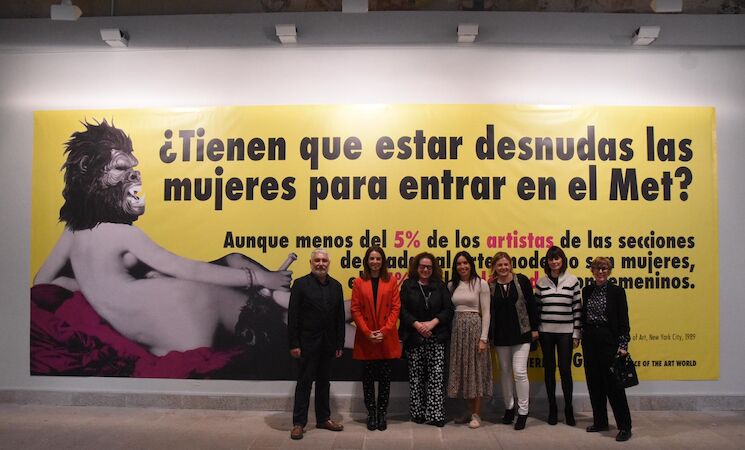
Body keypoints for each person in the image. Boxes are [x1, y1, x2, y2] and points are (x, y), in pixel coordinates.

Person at [33, 120, 292, 357]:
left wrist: (94, 287)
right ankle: (278, 298)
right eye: (121, 167)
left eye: (133, 168)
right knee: (277, 322)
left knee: (234, 260)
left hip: (159, 331)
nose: (134, 175)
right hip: (188, 305)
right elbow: (186, 269)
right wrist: (259, 278)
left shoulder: (72, 231)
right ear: (88, 170)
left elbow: (43, 282)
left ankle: (276, 297)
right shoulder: (124, 234)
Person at [288, 249, 346, 440]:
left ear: (329, 263)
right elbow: (293, 316)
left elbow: (340, 318)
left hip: (328, 345)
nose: (321, 264)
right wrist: (294, 343)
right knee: (304, 383)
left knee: (324, 383)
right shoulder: (300, 285)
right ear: (311, 263)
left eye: (324, 260)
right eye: (317, 260)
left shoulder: (336, 286)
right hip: (306, 344)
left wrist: (339, 344)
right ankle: (298, 423)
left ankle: (323, 419)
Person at [399, 252, 454, 427]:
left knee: (436, 377)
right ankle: (418, 413)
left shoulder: (440, 286)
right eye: (422, 266)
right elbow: (402, 310)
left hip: (436, 337)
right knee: (416, 377)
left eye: (429, 267)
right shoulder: (408, 285)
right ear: (416, 267)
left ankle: (436, 414)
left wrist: (432, 324)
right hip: (414, 337)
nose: (425, 270)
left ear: (433, 268)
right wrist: (418, 325)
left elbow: (448, 310)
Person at [581, 257, 633, 442]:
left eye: (604, 268)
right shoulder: (586, 290)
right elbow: (583, 316)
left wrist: (623, 345)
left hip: (608, 340)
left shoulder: (617, 291)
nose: (600, 272)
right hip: (590, 340)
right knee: (594, 383)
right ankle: (600, 421)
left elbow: (623, 320)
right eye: (597, 268)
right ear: (592, 271)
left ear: (609, 271)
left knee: (614, 385)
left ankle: (625, 427)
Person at [350, 246, 402, 431]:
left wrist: (384, 331)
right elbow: (355, 308)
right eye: (371, 258)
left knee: (385, 379)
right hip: (367, 338)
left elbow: (396, 307)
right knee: (368, 378)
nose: (375, 262)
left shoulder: (391, 280)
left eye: (378, 258)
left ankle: (382, 413)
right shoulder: (358, 282)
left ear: (383, 261)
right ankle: (371, 413)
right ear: (367, 261)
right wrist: (367, 332)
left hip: (385, 338)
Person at [488, 251, 539, 430]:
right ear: (494, 267)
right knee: (505, 372)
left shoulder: (522, 280)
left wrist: (535, 328)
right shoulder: (491, 286)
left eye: (506, 264)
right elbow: (489, 312)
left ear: (510, 264)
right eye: (499, 265)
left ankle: (523, 412)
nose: (503, 267)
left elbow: (532, 304)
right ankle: (509, 408)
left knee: (520, 372)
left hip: (522, 334)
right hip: (501, 336)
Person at [534, 246, 581, 426]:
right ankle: (552, 408)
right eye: (551, 259)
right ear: (547, 262)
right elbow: (537, 309)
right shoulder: (541, 282)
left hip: (565, 333)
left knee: (565, 370)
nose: (554, 262)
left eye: (557, 258)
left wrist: (576, 333)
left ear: (562, 260)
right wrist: (536, 330)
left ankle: (568, 409)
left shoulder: (573, 280)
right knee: (549, 370)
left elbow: (577, 308)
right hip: (546, 332)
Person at [447, 251, 492, 429]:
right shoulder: (451, 285)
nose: (462, 266)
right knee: (463, 372)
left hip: (475, 330)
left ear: (471, 264)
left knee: (476, 372)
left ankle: (477, 414)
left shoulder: (481, 284)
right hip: (458, 332)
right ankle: (467, 411)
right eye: (459, 263)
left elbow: (486, 313)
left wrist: (483, 338)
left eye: (465, 263)